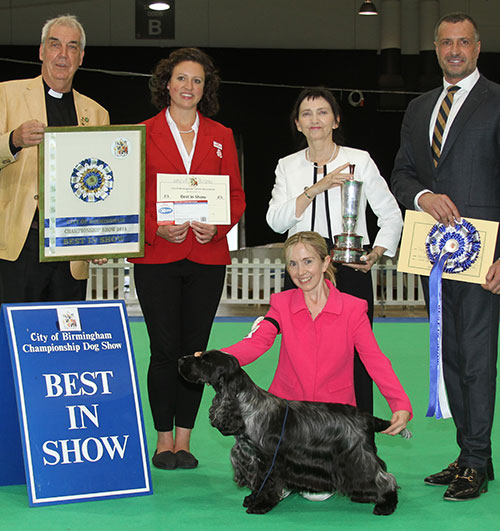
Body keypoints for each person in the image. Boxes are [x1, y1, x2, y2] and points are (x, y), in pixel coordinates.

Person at [391, 12, 500, 501]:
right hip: (433, 260)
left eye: (463, 42)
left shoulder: (498, 101)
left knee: (476, 360)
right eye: (445, 43)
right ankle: (471, 453)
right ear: (435, 48)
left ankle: (476, 460)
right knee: (450, 358)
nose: (454, 50)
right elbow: (403, 174)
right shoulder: (418, 108)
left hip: (484, 262)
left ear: (478, 48)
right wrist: (423, 198)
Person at [215, 231, 411, 500]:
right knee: (273, 484)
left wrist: (399, 404)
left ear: (326, 261)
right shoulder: (281, 304)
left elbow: (374, 359)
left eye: (308, 262)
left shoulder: (353, 309)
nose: (300, 271)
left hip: (328, 421)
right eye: (292, 264)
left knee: (315, 493)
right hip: (285, 416)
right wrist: (215, 357)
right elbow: (257, 343)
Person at [129, 48, 245, 471]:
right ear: (166, 84)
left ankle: (185, 440)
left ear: (205, 88)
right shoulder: (140, 134)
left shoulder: (222, 135)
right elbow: (129, 197)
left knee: (195, 353)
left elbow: (235, 196)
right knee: (163, 351)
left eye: (197, 80)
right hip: (158, 256)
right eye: (181, 78)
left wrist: (218, 227)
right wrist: (154, 227)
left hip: (206, 257)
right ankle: (162, 441)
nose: (188, 87)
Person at [266, 87, 403, 414]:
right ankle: (299, 439)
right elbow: (275, 221)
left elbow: (391, 215)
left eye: (323, 112)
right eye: (307, 114)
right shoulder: (287, 166)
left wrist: (377, 252)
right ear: (297, 124)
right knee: (297, 359)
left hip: (350, 268)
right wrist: (315, 189)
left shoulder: (359, 160)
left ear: (336, 120)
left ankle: (361, 444)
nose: (315, 119)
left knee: (359, 357)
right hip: (302, 269)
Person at [0, 15, 110, 304]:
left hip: (71, 249)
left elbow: (103, 188)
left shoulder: (97, 114)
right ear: (41, 51)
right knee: (14, 339)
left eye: (72, 47)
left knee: (65, 339)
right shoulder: (6, 94)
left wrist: (100, 239)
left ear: (81, 57)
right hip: (20, 244)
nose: (63, 55)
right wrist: (13, 140)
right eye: (55, 44)